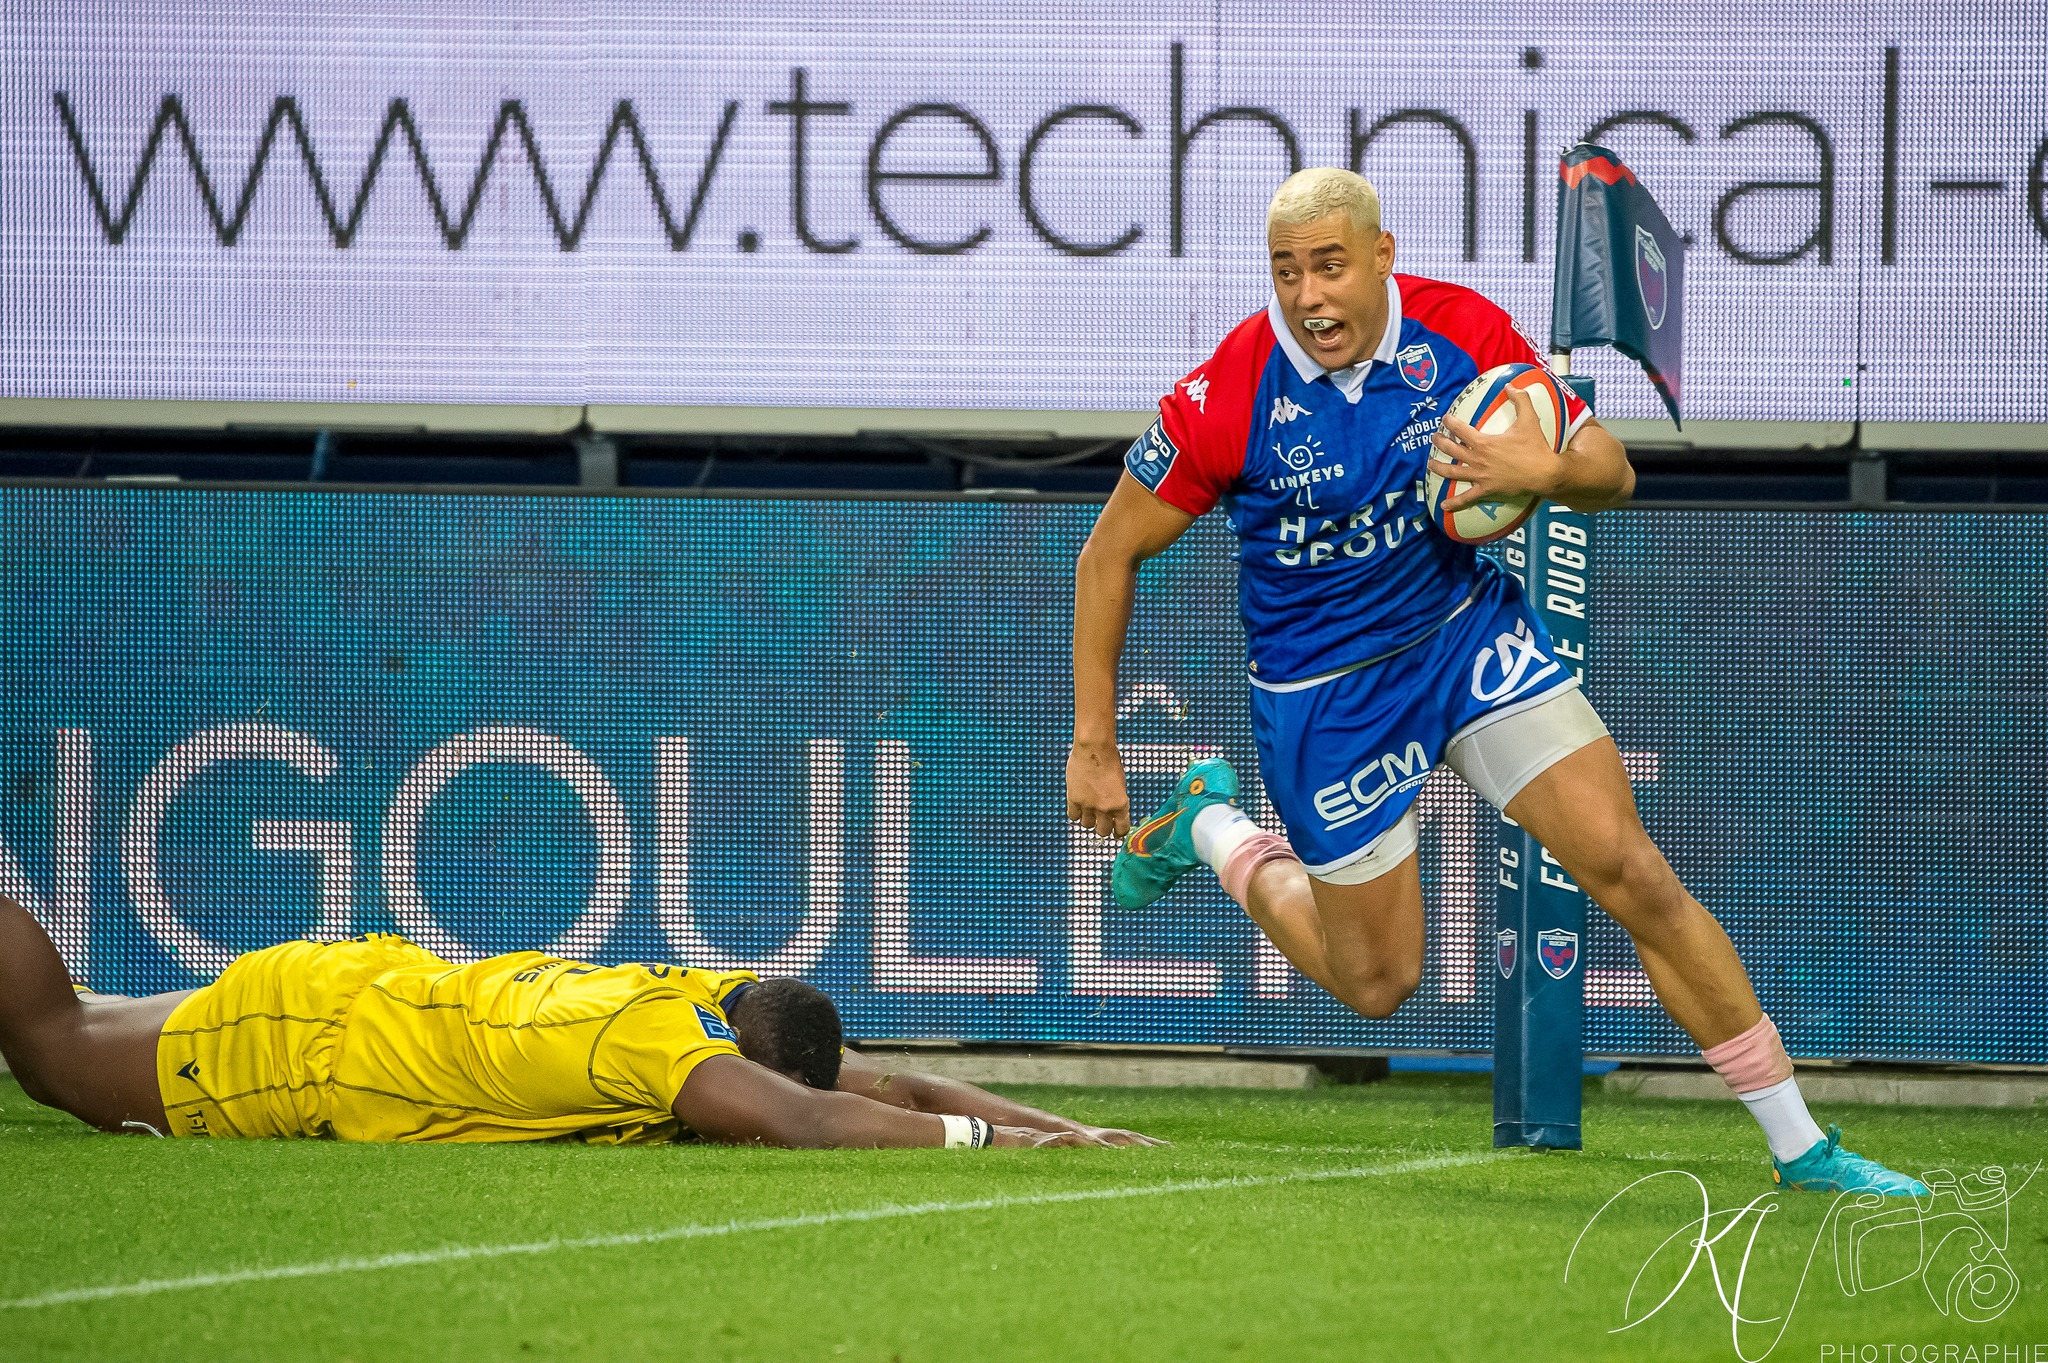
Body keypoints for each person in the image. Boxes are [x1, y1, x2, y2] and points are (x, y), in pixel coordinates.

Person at [1065, 166, 1921, 1196]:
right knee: (1377, 982)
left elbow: (1612, 470)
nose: (1308, 297)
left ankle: (1801, 1146)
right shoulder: (1227, 394)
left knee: (1630, 869)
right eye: (1286, 272)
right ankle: (1212, 828)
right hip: (1325, 695)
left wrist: (1546, 471)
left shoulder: (1460, 333)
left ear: (1381, 257)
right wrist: (1094, 741)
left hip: (1464, 637)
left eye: (1329, 267)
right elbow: (1107, 555)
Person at [0, 893, 1157, 1150]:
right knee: (52, 1050)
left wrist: (1061, 1123)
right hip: (312, 1052)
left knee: (82, 1012)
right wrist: (996, 1141)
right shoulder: (669, 1052)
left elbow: (880, 1082)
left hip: (353, 986)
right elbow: (809, 1117)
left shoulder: (712, 989)